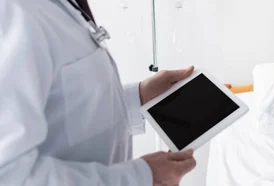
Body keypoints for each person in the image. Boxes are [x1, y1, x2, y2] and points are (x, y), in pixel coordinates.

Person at [0, 0, 197, 185]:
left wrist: (137, 98)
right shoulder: (12, 14)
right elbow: (8, 175)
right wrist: (140, 177)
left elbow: (61, 110)